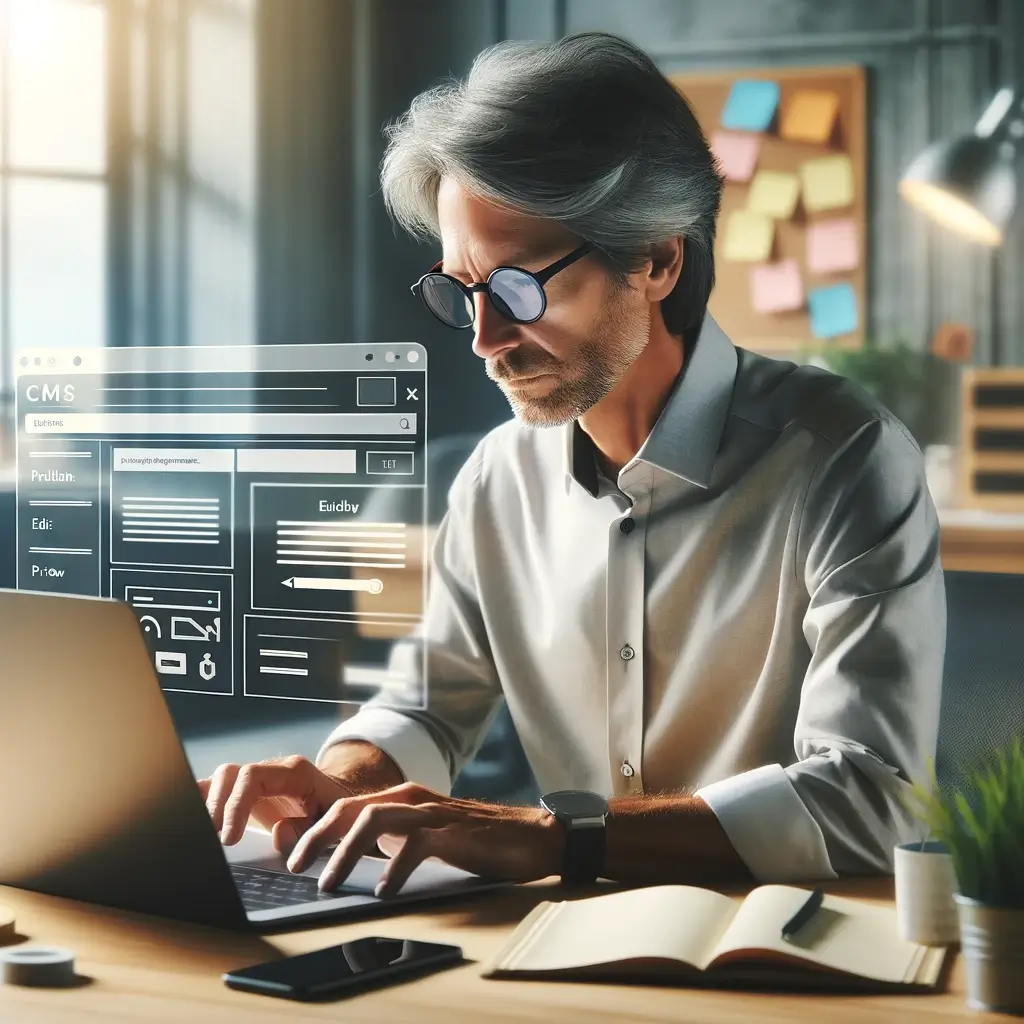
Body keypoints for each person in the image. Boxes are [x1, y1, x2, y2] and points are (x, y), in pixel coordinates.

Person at [200, 31, 945, 898]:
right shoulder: (496, 478)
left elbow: (871, 796)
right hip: (561, 950)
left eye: (517, 289)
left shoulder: (844, 457)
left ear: (658, 259)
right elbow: (428, 706)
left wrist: (557, 838)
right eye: (461, 291)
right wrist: (346, 782)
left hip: (782, 953)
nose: (483, 340)